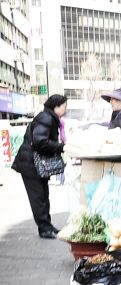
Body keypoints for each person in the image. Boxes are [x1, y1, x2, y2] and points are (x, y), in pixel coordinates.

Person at [12, 94, 68, 239]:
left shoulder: (49, 118)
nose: (65, 109)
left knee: (44, 196)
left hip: (36, 164)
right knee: (38, 198)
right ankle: (44, 229)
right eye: (64, 106)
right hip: (30, 164)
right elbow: (39, 141)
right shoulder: (46, 118)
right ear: (56, 106)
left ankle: (47, 226)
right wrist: (60, 147)